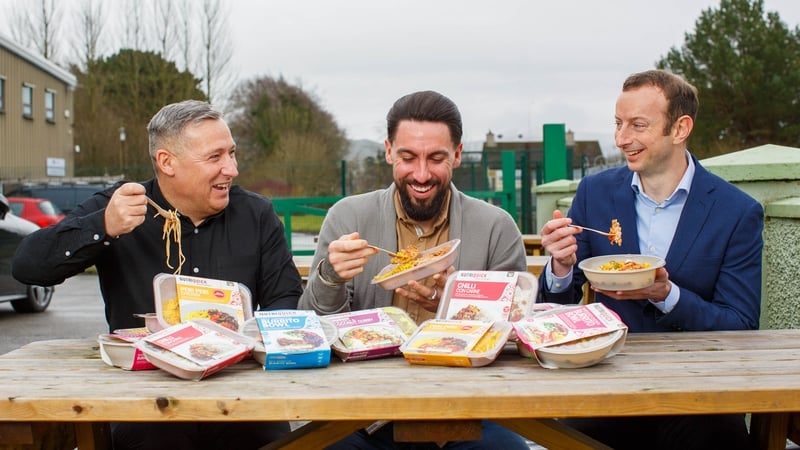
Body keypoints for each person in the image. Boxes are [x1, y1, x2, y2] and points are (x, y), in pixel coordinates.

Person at [12, 99, 302, 450]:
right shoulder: (121, 204)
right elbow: (28, 266)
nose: (231, 169)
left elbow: (285, 299)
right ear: (167, 162)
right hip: (145, 401)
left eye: (232, 153)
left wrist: (256, 344)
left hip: (241, 396)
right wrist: (103, 225)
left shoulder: (256, 214)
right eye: (215, 157)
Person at [538, 69, 763, 450]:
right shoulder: (595, 193)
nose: (621, 138)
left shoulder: (737, 212)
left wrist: (667, 294)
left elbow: (741, 326)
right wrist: (560, 266)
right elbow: (558, 303)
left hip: (699, 394)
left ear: (680, 129)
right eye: (618, 123)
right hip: (608, 385)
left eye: (637, 125)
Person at [299, 90, 530, 449]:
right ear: (389, 151)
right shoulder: (348, 217)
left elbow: (514, 336)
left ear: (457, 154)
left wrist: (450, 307)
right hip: (363, 414)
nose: (421, 175)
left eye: (436, 158)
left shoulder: (495, 227)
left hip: (468, 413)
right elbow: (312, 330)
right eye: (408, 158)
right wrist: (330, 277)